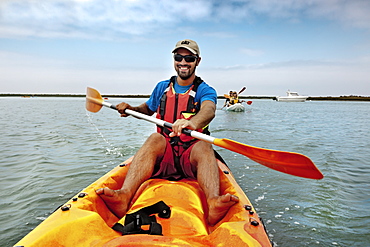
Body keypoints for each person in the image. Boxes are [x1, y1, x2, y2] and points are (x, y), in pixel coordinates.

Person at [96, 39, 239, 226]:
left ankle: (212, 201)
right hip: (166, 156)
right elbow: (146, 109)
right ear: (174, 59)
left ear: (198, 61)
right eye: (178, 57)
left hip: (191, 156)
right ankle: (124, 196)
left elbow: (209, 110)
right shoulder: (161, 87)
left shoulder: (205, 90)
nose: (183, 62)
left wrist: (192, 122)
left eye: (189, 58)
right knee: (155, 137)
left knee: (205, 144)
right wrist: (129, 108)